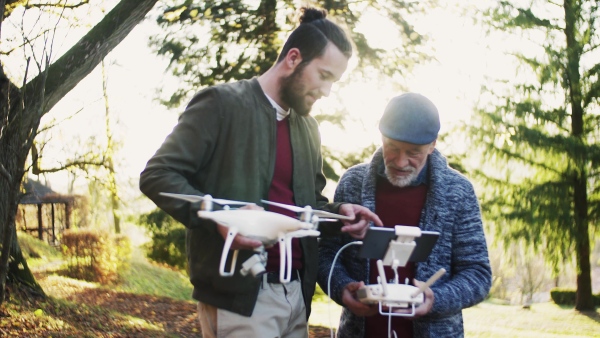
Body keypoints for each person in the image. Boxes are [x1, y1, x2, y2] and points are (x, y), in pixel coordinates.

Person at [139, 7, 382, 338]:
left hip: (296, 294)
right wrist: (221, 214)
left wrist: (340, 215)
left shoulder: (308, 128)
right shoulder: (221, 104)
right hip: (241, 299)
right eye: (324, 76)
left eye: (333, 82)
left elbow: (307, 205)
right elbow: (158, 175)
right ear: (293, 58)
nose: (326, 92)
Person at [317, 93, 492, 337]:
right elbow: (327, 254)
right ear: (381, 137)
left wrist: (436, 298)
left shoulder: (459, 192)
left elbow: (478, 273)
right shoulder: (353, 182)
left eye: (414, 152)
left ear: (433, 145)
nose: (400, 161)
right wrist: (341, 287)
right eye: (393, 147)